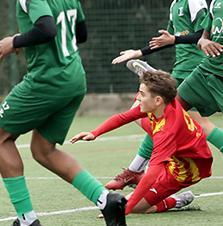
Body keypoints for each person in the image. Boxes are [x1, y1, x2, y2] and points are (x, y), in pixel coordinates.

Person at [0, 0, 128, 226]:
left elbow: (48, 29)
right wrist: (30, 40)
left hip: (48, 79)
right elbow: (80, 34)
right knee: (43, 149)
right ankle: (106, 199)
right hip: (74, 77)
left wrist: (15, 41)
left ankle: (27, 220)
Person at [106, 0, 223, 189]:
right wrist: (137, 52)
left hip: (193, 70)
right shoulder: (176, 4)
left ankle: (139, 171)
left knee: (150, 113)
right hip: (183, 69)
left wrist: (178, 40)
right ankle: (143, 172)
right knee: (176, 121)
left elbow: (200, 35)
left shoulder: (195, 0)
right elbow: (166, 40)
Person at [70, 70, 209, 214]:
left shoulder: (166, 133)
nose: (138, 98)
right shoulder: (163, 105)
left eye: (142, 94)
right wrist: (95, 133)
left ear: (158, 100)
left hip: (185, 170)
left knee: (136, 207)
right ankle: (135, 173)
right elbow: (123, 117)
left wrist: (125, 210)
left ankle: (176, 200)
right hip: (178, 146)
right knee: (135, 111)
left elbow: (151, 176)